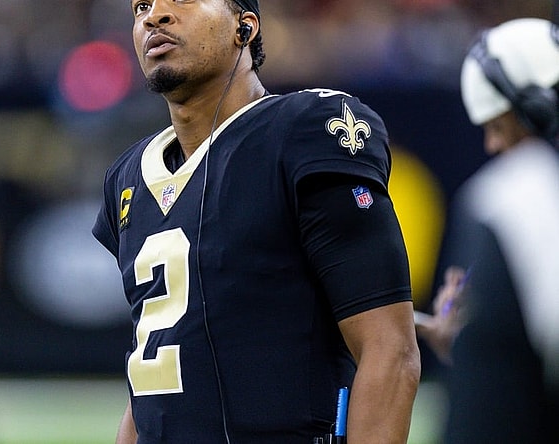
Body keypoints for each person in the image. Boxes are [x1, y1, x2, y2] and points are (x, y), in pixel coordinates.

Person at [92, 1, 421, 442]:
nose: (155, 16)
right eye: (142, 6)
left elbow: (390, 350)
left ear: (244, 28)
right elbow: (151, 388)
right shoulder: (129, 177)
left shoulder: (303, 131)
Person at [414, 17, 559, 444]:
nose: (492, 146)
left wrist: (476, 342)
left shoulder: (512, 203)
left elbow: (490, 414)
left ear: (537, 110)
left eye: (496, 126)